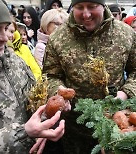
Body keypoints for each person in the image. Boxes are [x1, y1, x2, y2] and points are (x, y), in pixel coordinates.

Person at [0, 0, 66, 153]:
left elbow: (34, 99)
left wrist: (49, 110)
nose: (6, 37)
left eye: (6, 28)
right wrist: (24, 134)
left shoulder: (11, 60)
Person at [42, 0, 136, 153]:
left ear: (103, 6)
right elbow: (50, 75)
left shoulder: (125, 34)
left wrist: (125, 93)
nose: (86, 14)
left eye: (92, 7)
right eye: (79, 7)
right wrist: (58, 93)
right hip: (75, 131)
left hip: (116, 129)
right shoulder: (58, 38)